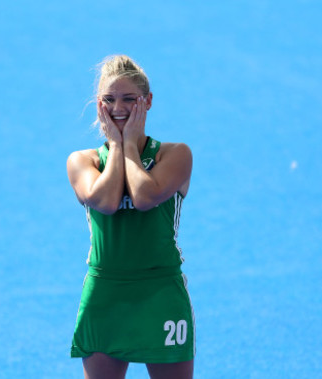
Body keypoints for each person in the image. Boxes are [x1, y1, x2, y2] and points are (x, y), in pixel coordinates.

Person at [66, 55, 195, 379]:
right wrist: (116, 143)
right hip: (106, 292)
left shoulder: (175, 154)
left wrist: (129, 148)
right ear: (99, 104)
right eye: (109, 100)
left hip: (160, 291)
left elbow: (145, 196)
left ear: (148, 101)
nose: (118, 107)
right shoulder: (83, 161)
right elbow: (106, 201)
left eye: (128, 99)